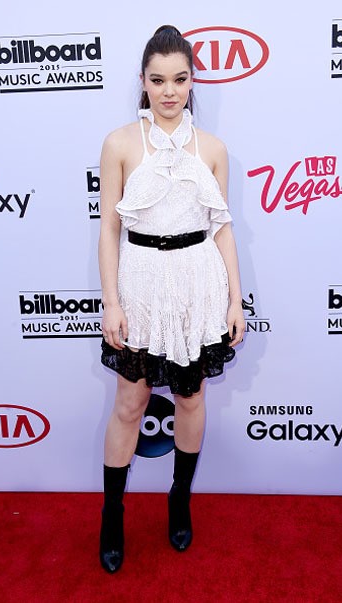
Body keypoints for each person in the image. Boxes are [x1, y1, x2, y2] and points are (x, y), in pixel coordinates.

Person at [98, 25, 245, 573]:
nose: (169, 91)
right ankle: (112, 513)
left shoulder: (213, 149)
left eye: (179, 79)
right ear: (142, 80)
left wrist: (236, 300)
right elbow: (108, 230)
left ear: (192, 81)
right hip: (140, 282)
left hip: (197, 282)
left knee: (190, 398)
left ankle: (179, 499)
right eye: (158, 80)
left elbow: (222, 227)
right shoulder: (119, 143)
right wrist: (111, 302)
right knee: (129, 404)